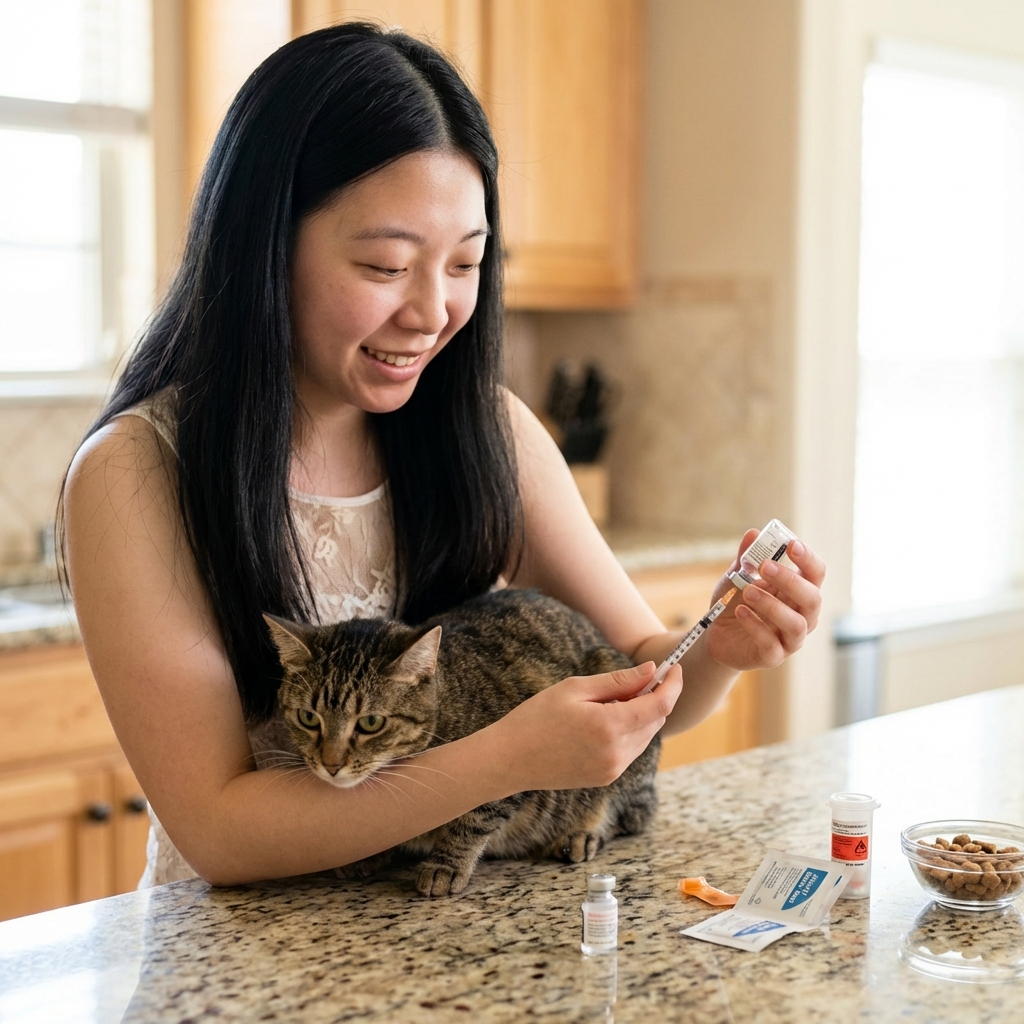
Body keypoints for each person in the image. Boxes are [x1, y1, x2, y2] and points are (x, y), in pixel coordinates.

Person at [62, 24, 824, 888]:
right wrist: (503, 757)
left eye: (465, 263)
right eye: (387, 266)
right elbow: (221, 832)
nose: (433, 312)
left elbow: (640, 679)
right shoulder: (136, 474)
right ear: (265, 250)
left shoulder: (486, 428)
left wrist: (723, 644)